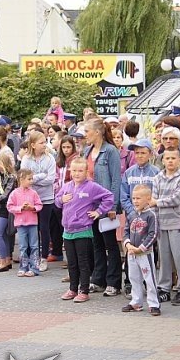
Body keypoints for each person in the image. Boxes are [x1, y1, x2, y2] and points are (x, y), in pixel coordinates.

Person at [56, 157, 114, 303]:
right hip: (67, 231)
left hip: (83, 230)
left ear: (86, 171)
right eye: (74, 170)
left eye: (80, 171)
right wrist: (61, 200)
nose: (76, 173)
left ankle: (84, 290)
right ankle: (72, 289)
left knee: (83, 262)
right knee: (72, 262)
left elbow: (109, 197)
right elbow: (56, 200)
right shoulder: (67, 186)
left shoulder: (92, 187)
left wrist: (98, 212)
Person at [83, 118, 121, 297]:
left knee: (110, 243)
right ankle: (98, 279)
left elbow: (115, 180)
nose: (85, 135)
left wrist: (113, 204)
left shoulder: (110, 151)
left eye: (87, 131)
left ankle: (113, 282)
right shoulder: (86, 151)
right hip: (90, 205)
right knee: (96, 243)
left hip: (105, 204)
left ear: (97, 132)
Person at [150, 149, 180, 306]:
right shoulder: (157, 178)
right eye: (167, 158)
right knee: (164, 258)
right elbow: (152, 200)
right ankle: (164, 288)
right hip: (162, 223)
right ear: (163, 160)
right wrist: (154, 220)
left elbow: (177, 198)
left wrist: (158, 202)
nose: (170, 161)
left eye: (173, 158)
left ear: (179, 160)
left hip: (177, 224)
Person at [20, 130, 56, 272]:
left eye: (45, 142)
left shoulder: (50, 158)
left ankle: (44, 257)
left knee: (44, 228)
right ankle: (30, 257)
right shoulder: (26, 159)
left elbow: (51, 179)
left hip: (46, 198)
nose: (44, 145)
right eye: (41, 143)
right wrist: (40, 177)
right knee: (31, 227)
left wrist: (34, 179)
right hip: (30, 198)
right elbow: (24, 178)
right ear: (33, 145)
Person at [121, 184, 161, 316]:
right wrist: (128, 245)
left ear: (148, 199)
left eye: (139, 198)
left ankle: (154, 303)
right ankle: (136, 301)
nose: (135, 201)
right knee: (134, 278)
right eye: (133, 198)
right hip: (132, 253)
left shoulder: (151, 215)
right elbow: (126, 231)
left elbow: (153, 234)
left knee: (149, 278)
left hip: (145, 254)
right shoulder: (131, 214)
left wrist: (141, 248)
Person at [7, 168, 43, 277]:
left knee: (34, 246)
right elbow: (9, 206)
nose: (31, 181)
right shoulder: (14, 193)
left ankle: (34, 268)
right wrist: (20, 208)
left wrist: (32, 208)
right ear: (21, 179)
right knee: (23, 246)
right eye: (29, 179)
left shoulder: (33, 193)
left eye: (32, 178)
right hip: (21, 224)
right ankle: (23, 267)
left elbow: (39, 205)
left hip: (32, 223)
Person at [50, 136, 78, 263]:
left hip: (70, 196)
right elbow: (56, 178)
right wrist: (57, 192)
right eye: (64, 147)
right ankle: (57, 252)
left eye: (69, 147)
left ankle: (70, 258)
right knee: (55, 225)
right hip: (59, 196)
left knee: (66, 226)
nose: (66, 150)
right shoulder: (59, 161)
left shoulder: (75, 160)